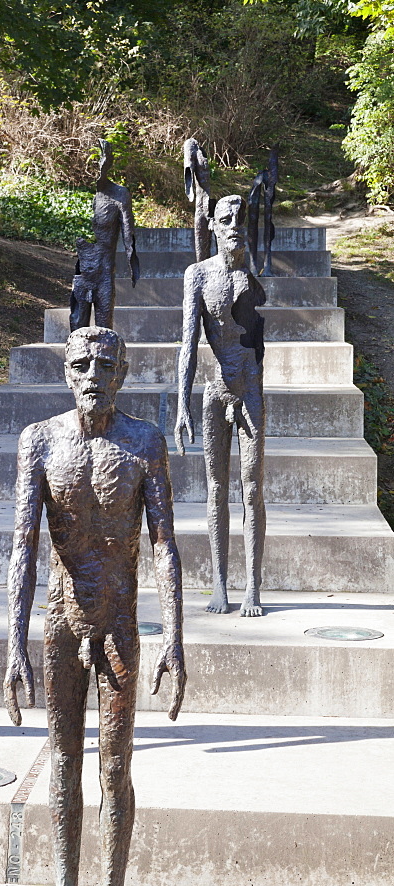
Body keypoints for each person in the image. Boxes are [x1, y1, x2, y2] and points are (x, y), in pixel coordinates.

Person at [4, 325, 186, 886]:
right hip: (59, 623)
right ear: (65, 372)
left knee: (114, 769)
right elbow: (24, 544)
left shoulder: (143, 443)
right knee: (62, 767)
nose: (91, 374)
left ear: (123, 373)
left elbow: (164, 543)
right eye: (80, 364)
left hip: (118, 626)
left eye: (105, 365)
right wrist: (14, 644)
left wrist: (176, 635)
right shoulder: (40, 442)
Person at [175, 195, 267, 617]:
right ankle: (219, 585)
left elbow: (257, 338)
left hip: (249, 387)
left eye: (239, 220)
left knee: (252, 489)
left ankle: (253, 587)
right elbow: (188, 345)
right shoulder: (197, 276)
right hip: (215, 389)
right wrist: (181, 406)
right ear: (212, 226)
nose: (234, 226)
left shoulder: (249, 275)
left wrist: (245, 268)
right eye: (225, 220)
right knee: (216, 490)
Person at [69, 139, 139, 332]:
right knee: (77, 325)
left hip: (105, 269)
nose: (99, 167)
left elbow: (128, 232)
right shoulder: (96, 197)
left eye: (103, 160)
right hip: (84, 269)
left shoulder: (119, 194)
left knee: (104, 325)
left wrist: (133, 264)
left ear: (108, 162)